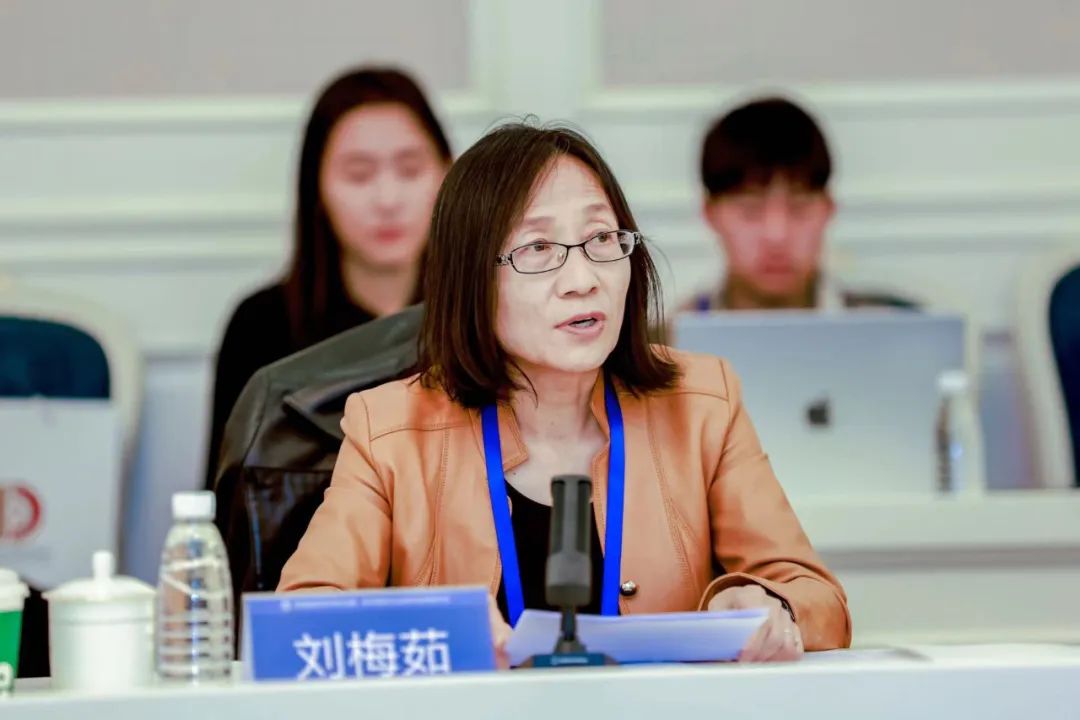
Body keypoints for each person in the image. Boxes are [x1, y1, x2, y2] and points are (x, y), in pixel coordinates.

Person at [279, 122, 851, 663]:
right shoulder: (388, 431)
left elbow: (820, 599)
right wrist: (438, 627)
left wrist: (770, 605)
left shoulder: (703, 404)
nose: (582, 280)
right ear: (471, 278)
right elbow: (297, 622)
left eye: (601, 238)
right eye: (537, 249)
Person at [204, 67, 452, 487]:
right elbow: (224, 499)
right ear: (316, 187)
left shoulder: (482, 315)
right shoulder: (261, 325)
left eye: (410, 170)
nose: (388, 199)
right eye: (359, 175)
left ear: (448, 175)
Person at [686, 96, 915, 312]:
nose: (777, 235)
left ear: (828, 209)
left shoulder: (900, 329)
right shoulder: (669, 337)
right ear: (710, 214)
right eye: (750, 210)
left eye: (799, 208)